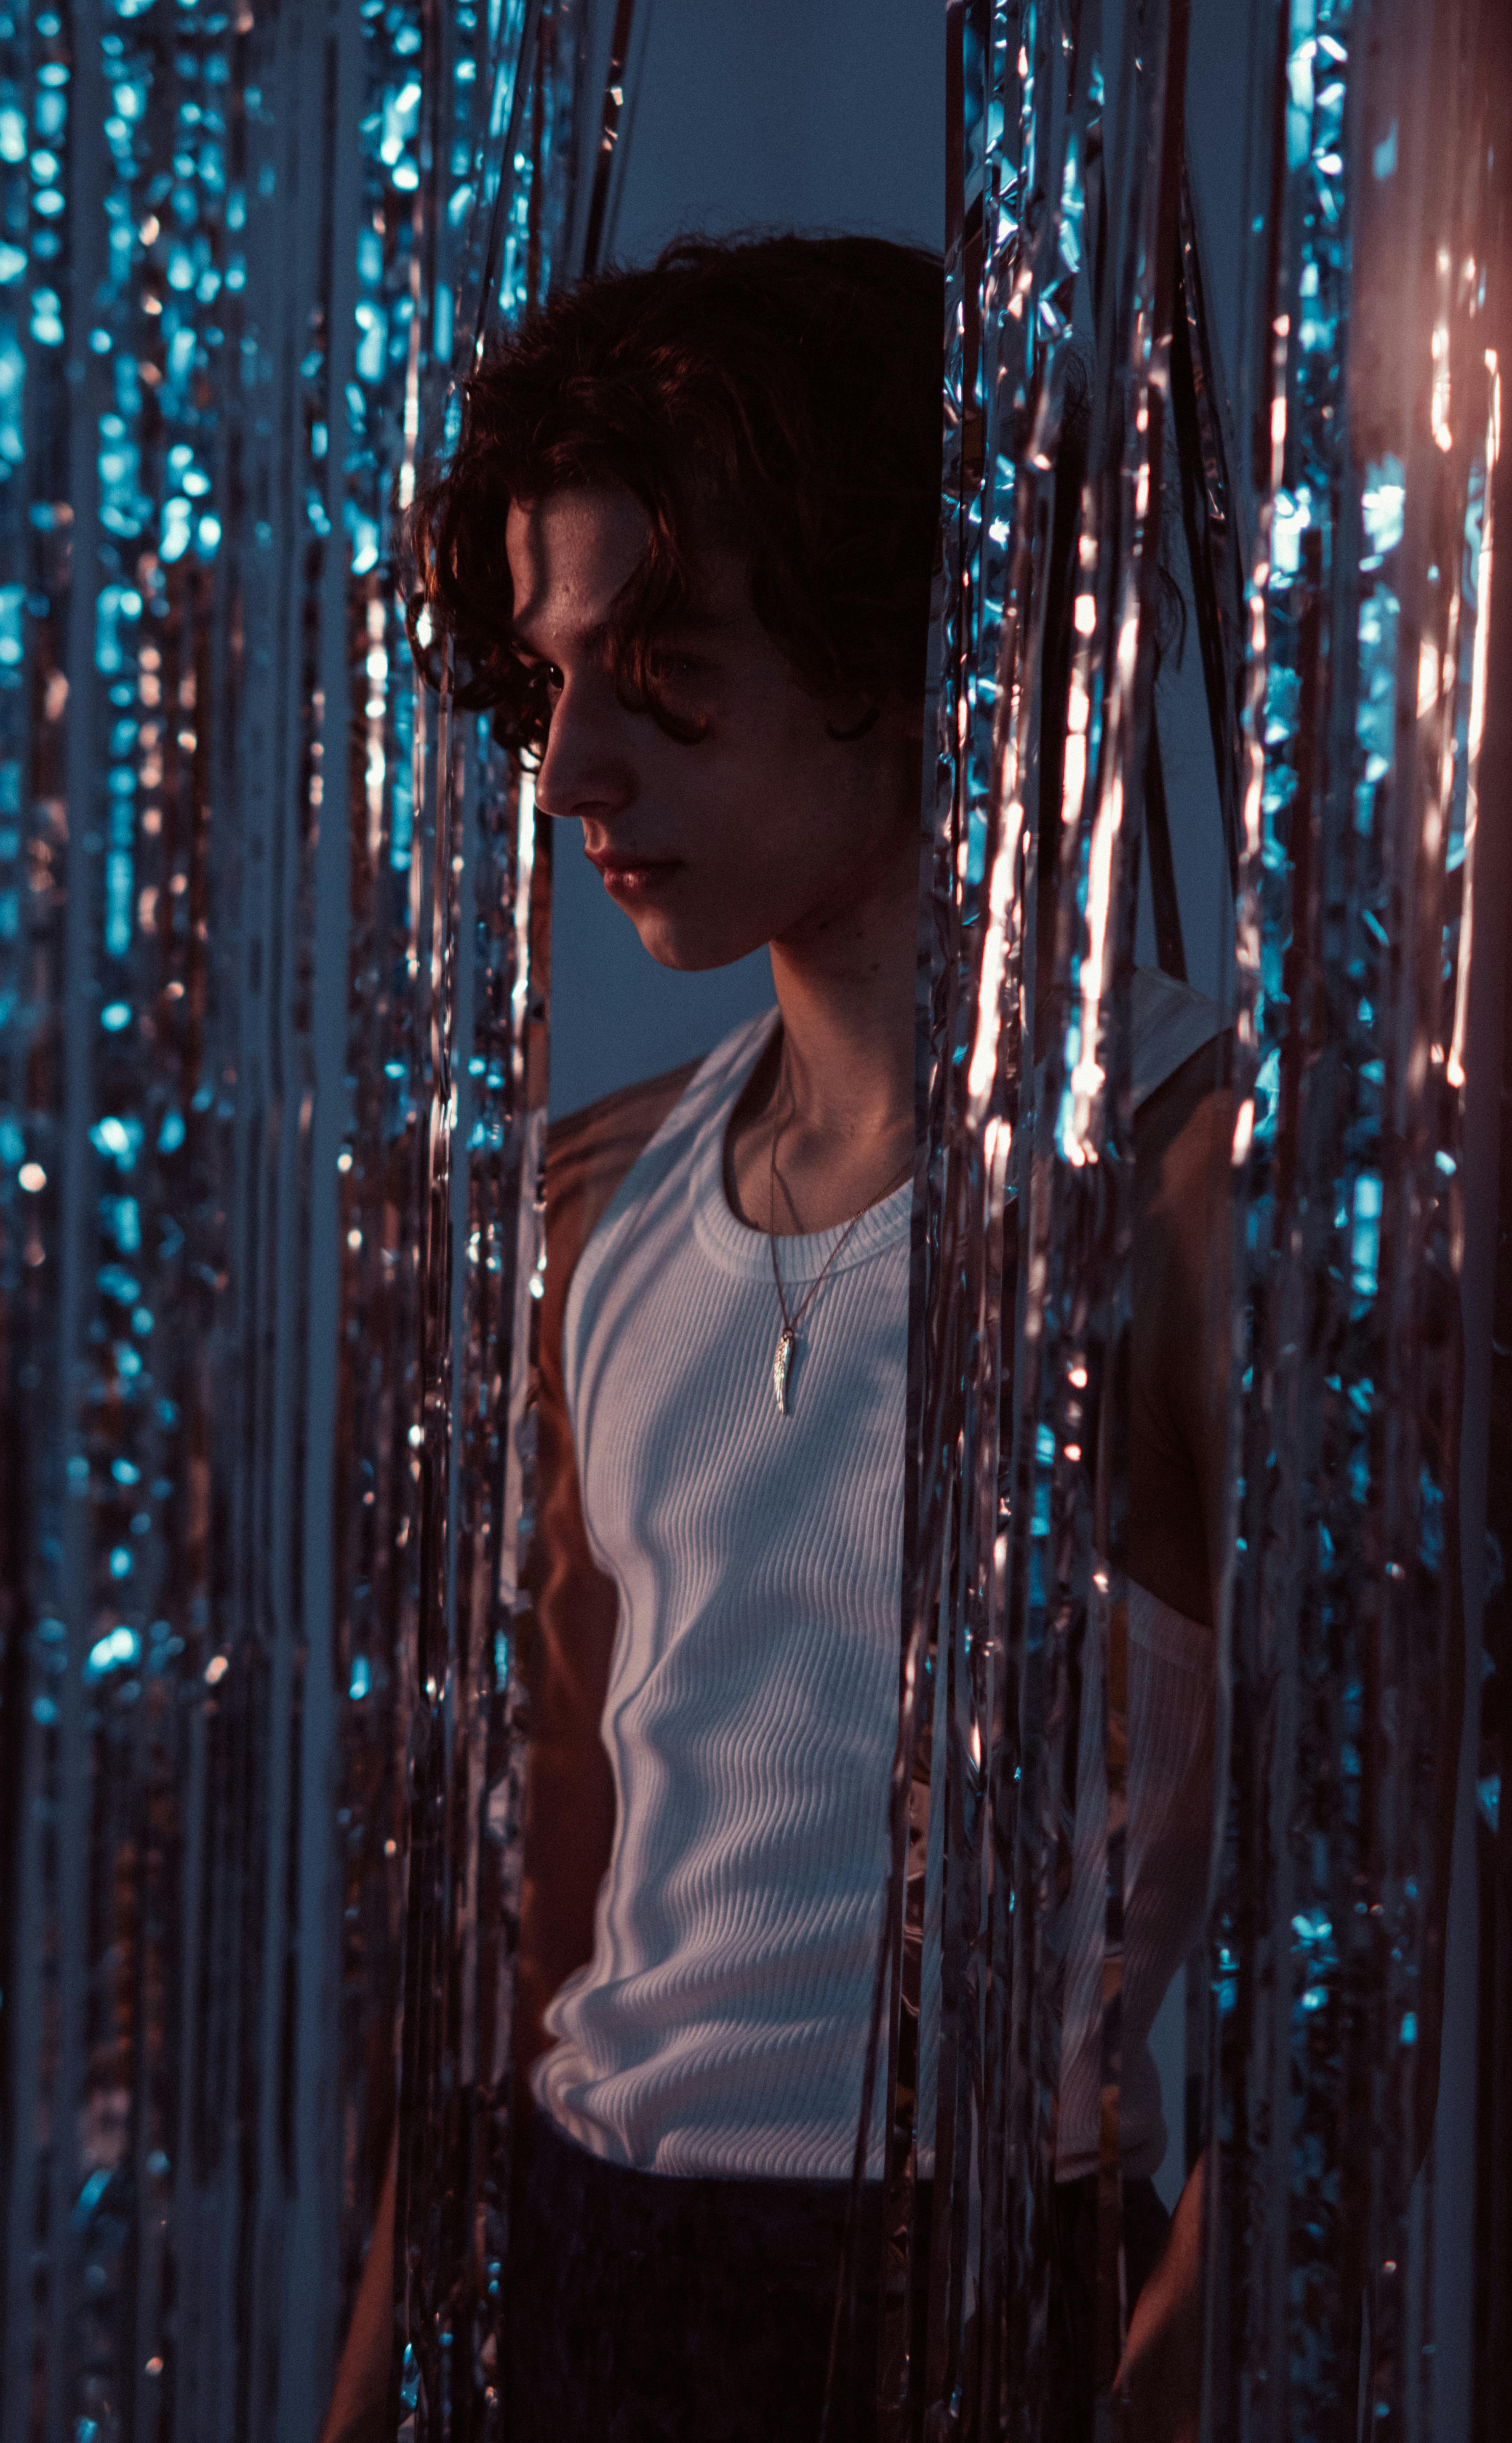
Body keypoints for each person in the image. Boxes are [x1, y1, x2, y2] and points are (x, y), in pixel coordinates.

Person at [322, 234, 1232, 2443]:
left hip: (965, 2288)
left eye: (667, 669)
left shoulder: (1175, 1217)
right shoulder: (593, 1209)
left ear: (914, 646)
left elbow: (1342, 1981)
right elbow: (549, 1924)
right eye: (549, 684)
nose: (573, 774)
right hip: (583, 2260)